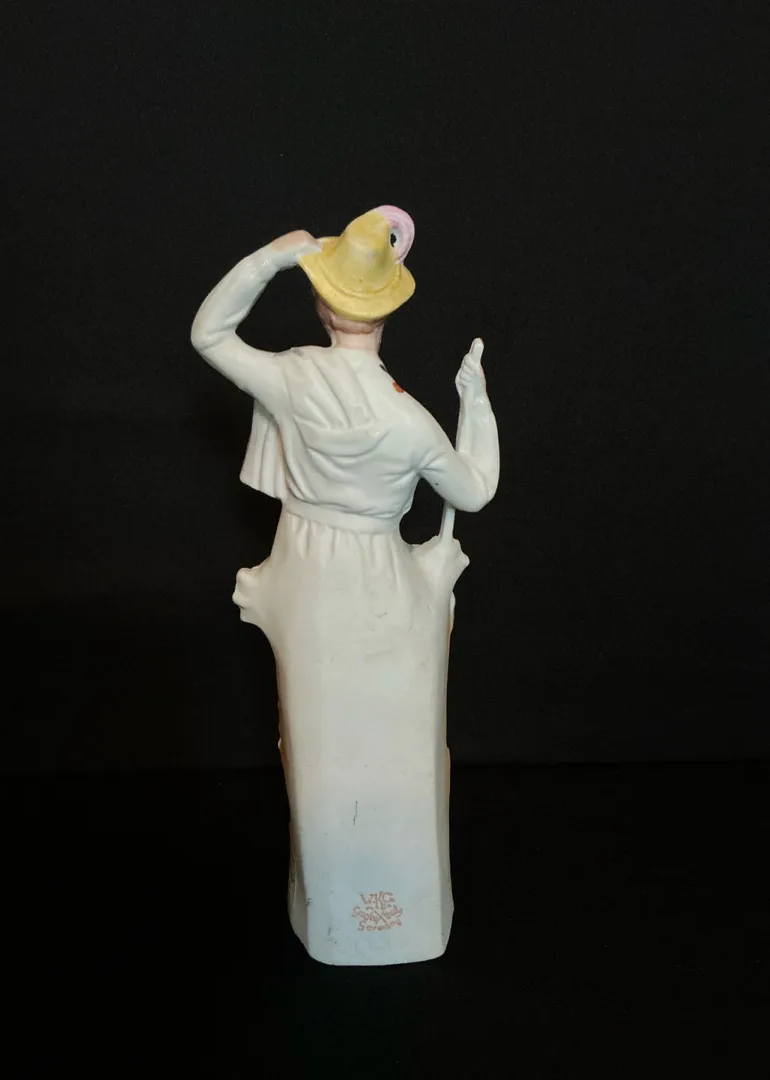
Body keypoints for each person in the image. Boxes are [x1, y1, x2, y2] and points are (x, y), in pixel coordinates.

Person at [191, 207, 499, 965]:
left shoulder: (291, 379)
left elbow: (209, 335)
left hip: (310, 584)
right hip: (384, 588)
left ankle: (337, 917)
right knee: (398, 750)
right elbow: (475, 492)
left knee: (322, 750)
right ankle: (407, 917)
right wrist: (477, 404)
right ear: (388, 309)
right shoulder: (411, 420)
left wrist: (270, 258)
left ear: (324, 305)